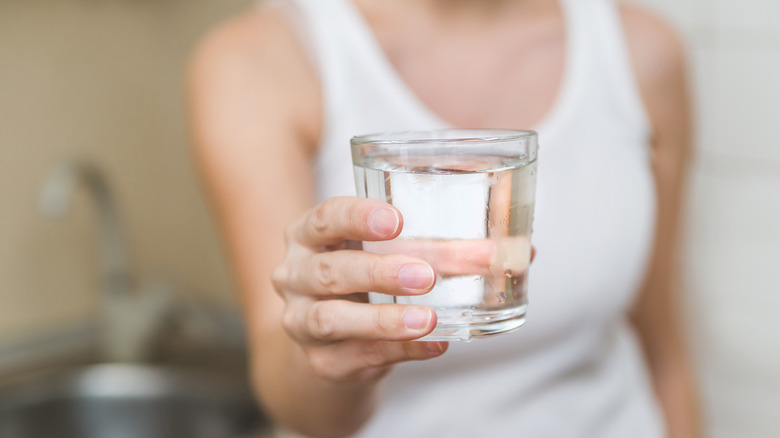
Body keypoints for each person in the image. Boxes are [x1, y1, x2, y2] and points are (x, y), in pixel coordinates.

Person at [188, 0, 701, 436]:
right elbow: (294, 399)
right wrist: (330, 345)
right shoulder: (259, 60)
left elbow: (665, 355)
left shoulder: (641, 52)